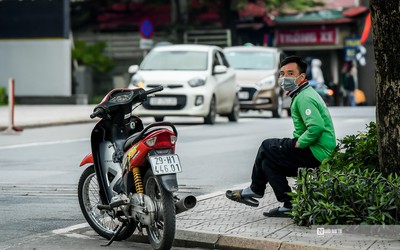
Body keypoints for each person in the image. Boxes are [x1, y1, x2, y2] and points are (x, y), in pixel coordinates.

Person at [225, 56, 336, 217]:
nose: (285, 78)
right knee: (267, 163)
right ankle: (288, 204)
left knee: (266, 146)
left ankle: (255, 189)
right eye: (282, 74)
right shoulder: (302, 94)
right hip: (314, 151)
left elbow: (316, 128)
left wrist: (299, 143)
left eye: (290, 73)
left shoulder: (305, 97)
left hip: (315, 151)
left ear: (301, 77)